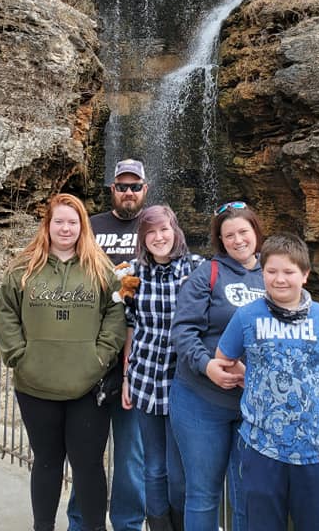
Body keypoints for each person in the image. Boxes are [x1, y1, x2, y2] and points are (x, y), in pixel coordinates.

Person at [0, 193, 126, 531]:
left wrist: (101, 356)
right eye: (59, 221)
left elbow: (115, 313)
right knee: (47, 463)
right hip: (35, 384)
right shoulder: (23, 269)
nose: (66, 228)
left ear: (82, 226)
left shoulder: (101, 268)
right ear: (47, 225)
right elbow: (6, 314)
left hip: (88, 386)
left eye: (73, 222)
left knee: (88, 465)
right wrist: (19, 357)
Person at [216, 234, 319, 531]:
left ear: (304, 275)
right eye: (271, 271)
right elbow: (224, 357)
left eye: (289, 272)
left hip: (314, 450)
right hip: (260, 448)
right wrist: (250, 379)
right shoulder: (246, 316)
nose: (280, 279)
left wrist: (304, 388)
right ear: (261, 272)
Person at [169, 201, 266, 531]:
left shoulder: (274, 273)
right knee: (202, 494)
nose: (238, 240)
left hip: (254, 404)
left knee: (249, 494)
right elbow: (183, 330)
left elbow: (297, 322)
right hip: (200, 400)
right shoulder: (207, 273)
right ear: (220, 241)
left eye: (243, 232)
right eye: (229, 235)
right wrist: (207, 365)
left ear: (256, 232)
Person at [67, 158, 148, 531]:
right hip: (91, 356)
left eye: (135, 186)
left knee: (132, 455)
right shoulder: (92, 226)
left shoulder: (156, 227)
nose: (128, 192)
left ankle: (129, 524)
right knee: (86, 452)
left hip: (138, 360)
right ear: (111, 189)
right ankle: (81, 523)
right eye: (121, 186)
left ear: (145, 190)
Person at [122, 204, 202, 531]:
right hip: (144, 380)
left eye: (164, 229)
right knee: (153, 468)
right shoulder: (132, 274)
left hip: (184, 384)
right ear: (143, 237)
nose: (159, 237)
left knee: (180, 470)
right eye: (150, 232)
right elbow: (131, 326)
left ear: (175, 230)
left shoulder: (197, 268)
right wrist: (126, 376)